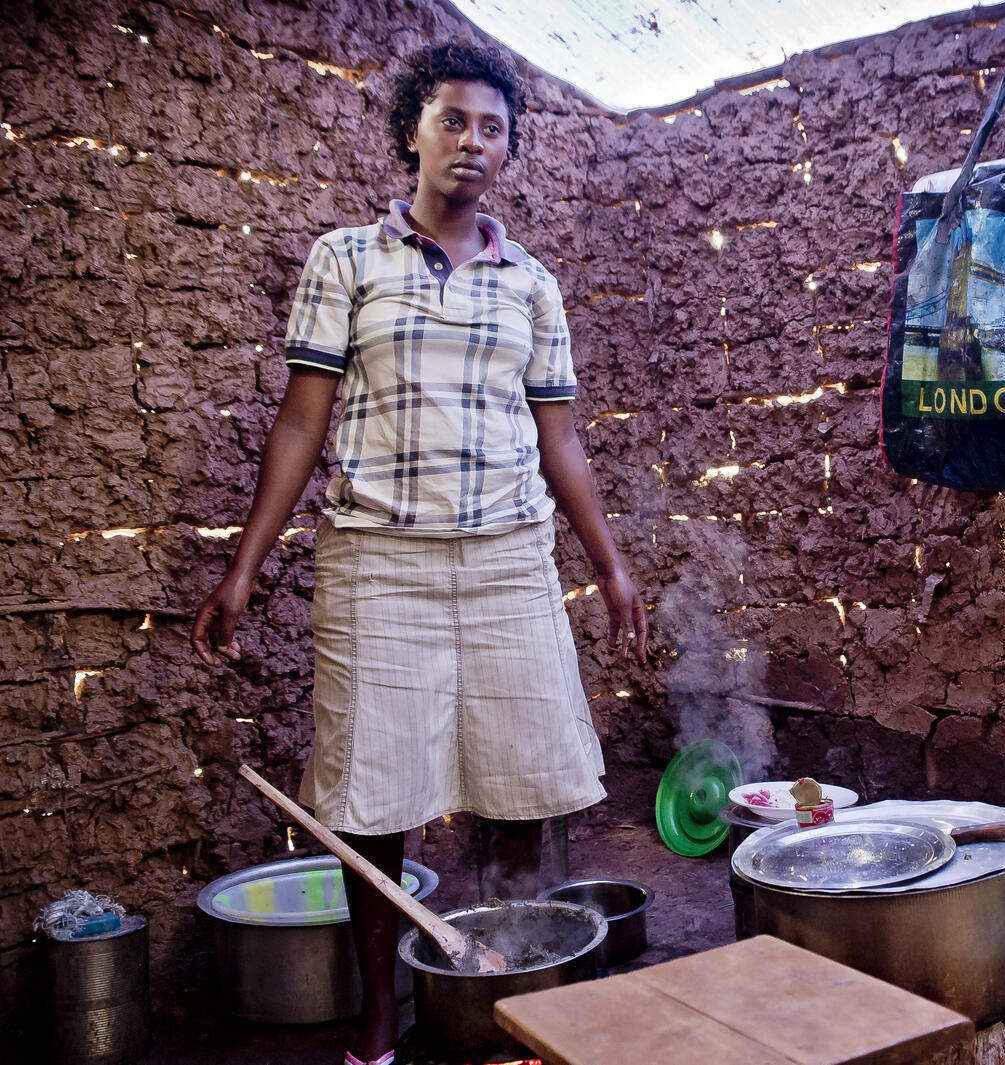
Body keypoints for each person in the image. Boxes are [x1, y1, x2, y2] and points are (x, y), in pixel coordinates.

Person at [190, 39, 647, 1065]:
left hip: (507, 559)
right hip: (379, 563)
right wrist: (244, 566)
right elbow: (301, 421)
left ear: (508, 149)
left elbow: (561, 439)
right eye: (452, 120)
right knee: (374, 795)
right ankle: (377, 1017)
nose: (471, 142)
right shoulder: (347, 260)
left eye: (493, 128)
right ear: (413, 132)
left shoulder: (531, 284)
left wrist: (610, 565)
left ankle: (503, 984)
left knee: (522, 780)